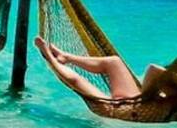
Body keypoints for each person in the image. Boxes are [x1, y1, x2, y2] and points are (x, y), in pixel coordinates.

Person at [33, 37, 167, 100]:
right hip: (133, 101)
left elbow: (154, 69)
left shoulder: (170, 103)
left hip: (123, 108)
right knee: (113, 61)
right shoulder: (168, 100)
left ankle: (50, 56)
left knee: (76, 81)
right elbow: (154, 70)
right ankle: (66, 57)